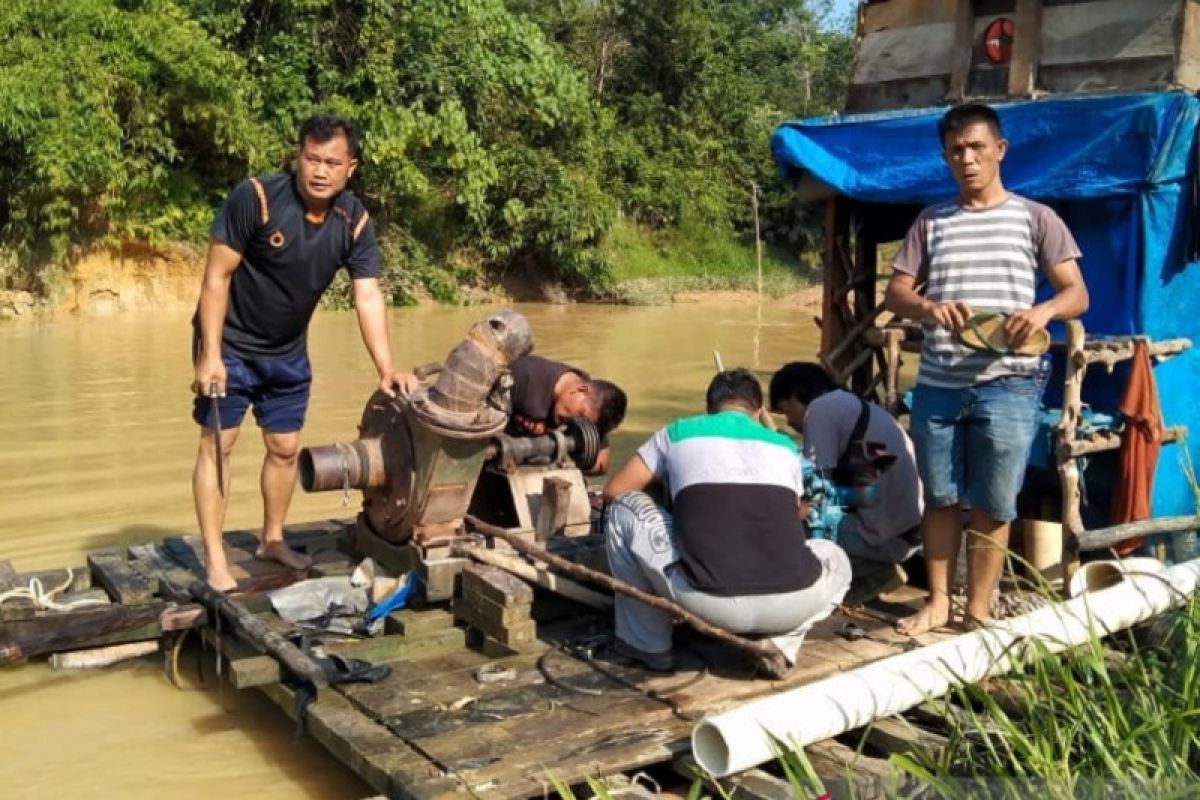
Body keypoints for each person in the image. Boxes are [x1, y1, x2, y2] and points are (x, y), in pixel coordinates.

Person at [883, 103, 1089, 635]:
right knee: (942, 498)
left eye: (977, 148)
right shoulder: (931, 222)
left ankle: (976, 611)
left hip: (1010, 384)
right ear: (945, 157)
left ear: (1000, 150)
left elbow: (1076, 293)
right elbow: (897, 293)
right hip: (939, 384)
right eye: (956, 150)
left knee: (996, 505)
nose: (967, 159)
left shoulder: (1035, 217)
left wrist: (1042, 311)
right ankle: (936, 602)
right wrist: (929, 308)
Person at [190, 115, 418, 592]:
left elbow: (368, 295)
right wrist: (209, 354)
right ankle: (215, 559)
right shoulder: (255, 199)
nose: (320, 170)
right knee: (219, 444)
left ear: (350, 168)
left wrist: (386, 368)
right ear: (297, 157)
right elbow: (216, 277)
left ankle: (271, 540)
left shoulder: (353, 222)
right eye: (311, 159)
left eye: (332, 162)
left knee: (285, 447)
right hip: (229, 345)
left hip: (287, 351)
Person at [601, 368, 851, 672]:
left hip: (708, 602)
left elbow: (615, 491)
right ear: (758, 412)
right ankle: (780, 644)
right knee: (836, 558)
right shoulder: (785, 447)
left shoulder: (679, 432)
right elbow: (795, 512)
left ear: (709, 410)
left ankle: (647, 644)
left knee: (624, 507)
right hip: (793, 603)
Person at [769, 362, 923, 602]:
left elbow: (816, 491)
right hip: (907, 534)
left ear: (795, 394)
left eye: (785, 410)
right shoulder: (852, 406)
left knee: (787, 523)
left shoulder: (820, 410)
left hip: (884, 539)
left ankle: (873, 573)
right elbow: (861, 487)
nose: (788, 421)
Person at [507, 354, 627, 474]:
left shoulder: (593, 411)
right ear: (581, 390)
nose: (574, 422)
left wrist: (558, 448)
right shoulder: (522, 376)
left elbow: (601, 463)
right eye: (580, 414)